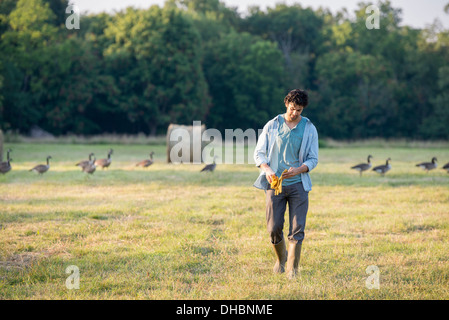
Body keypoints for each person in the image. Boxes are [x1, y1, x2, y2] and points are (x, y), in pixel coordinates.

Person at [253, 89, 319, 278]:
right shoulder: (272, 125)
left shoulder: (309, 128)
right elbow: (259, 153)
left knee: (297, 228)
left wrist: (298, 170)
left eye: (299, 110)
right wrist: (267, 170)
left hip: (299, 184)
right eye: (292, 109)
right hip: (276, 184)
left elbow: (313, 158)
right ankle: (281, 260)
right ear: (286, 104)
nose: (295, 113)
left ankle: (293, 270)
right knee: (274, 227)